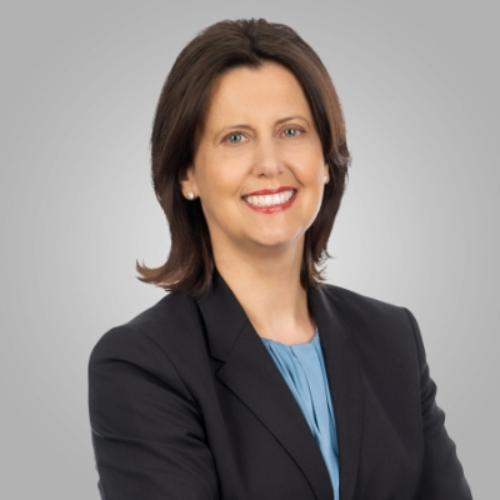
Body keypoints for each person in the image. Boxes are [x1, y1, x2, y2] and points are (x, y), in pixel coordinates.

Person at [87, 17, 473, 500]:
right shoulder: (142, 365)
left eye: (291, 131)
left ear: (326, 160)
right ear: (187, 174)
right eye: (235, 137)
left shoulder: (393, 339)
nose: (270, 164)